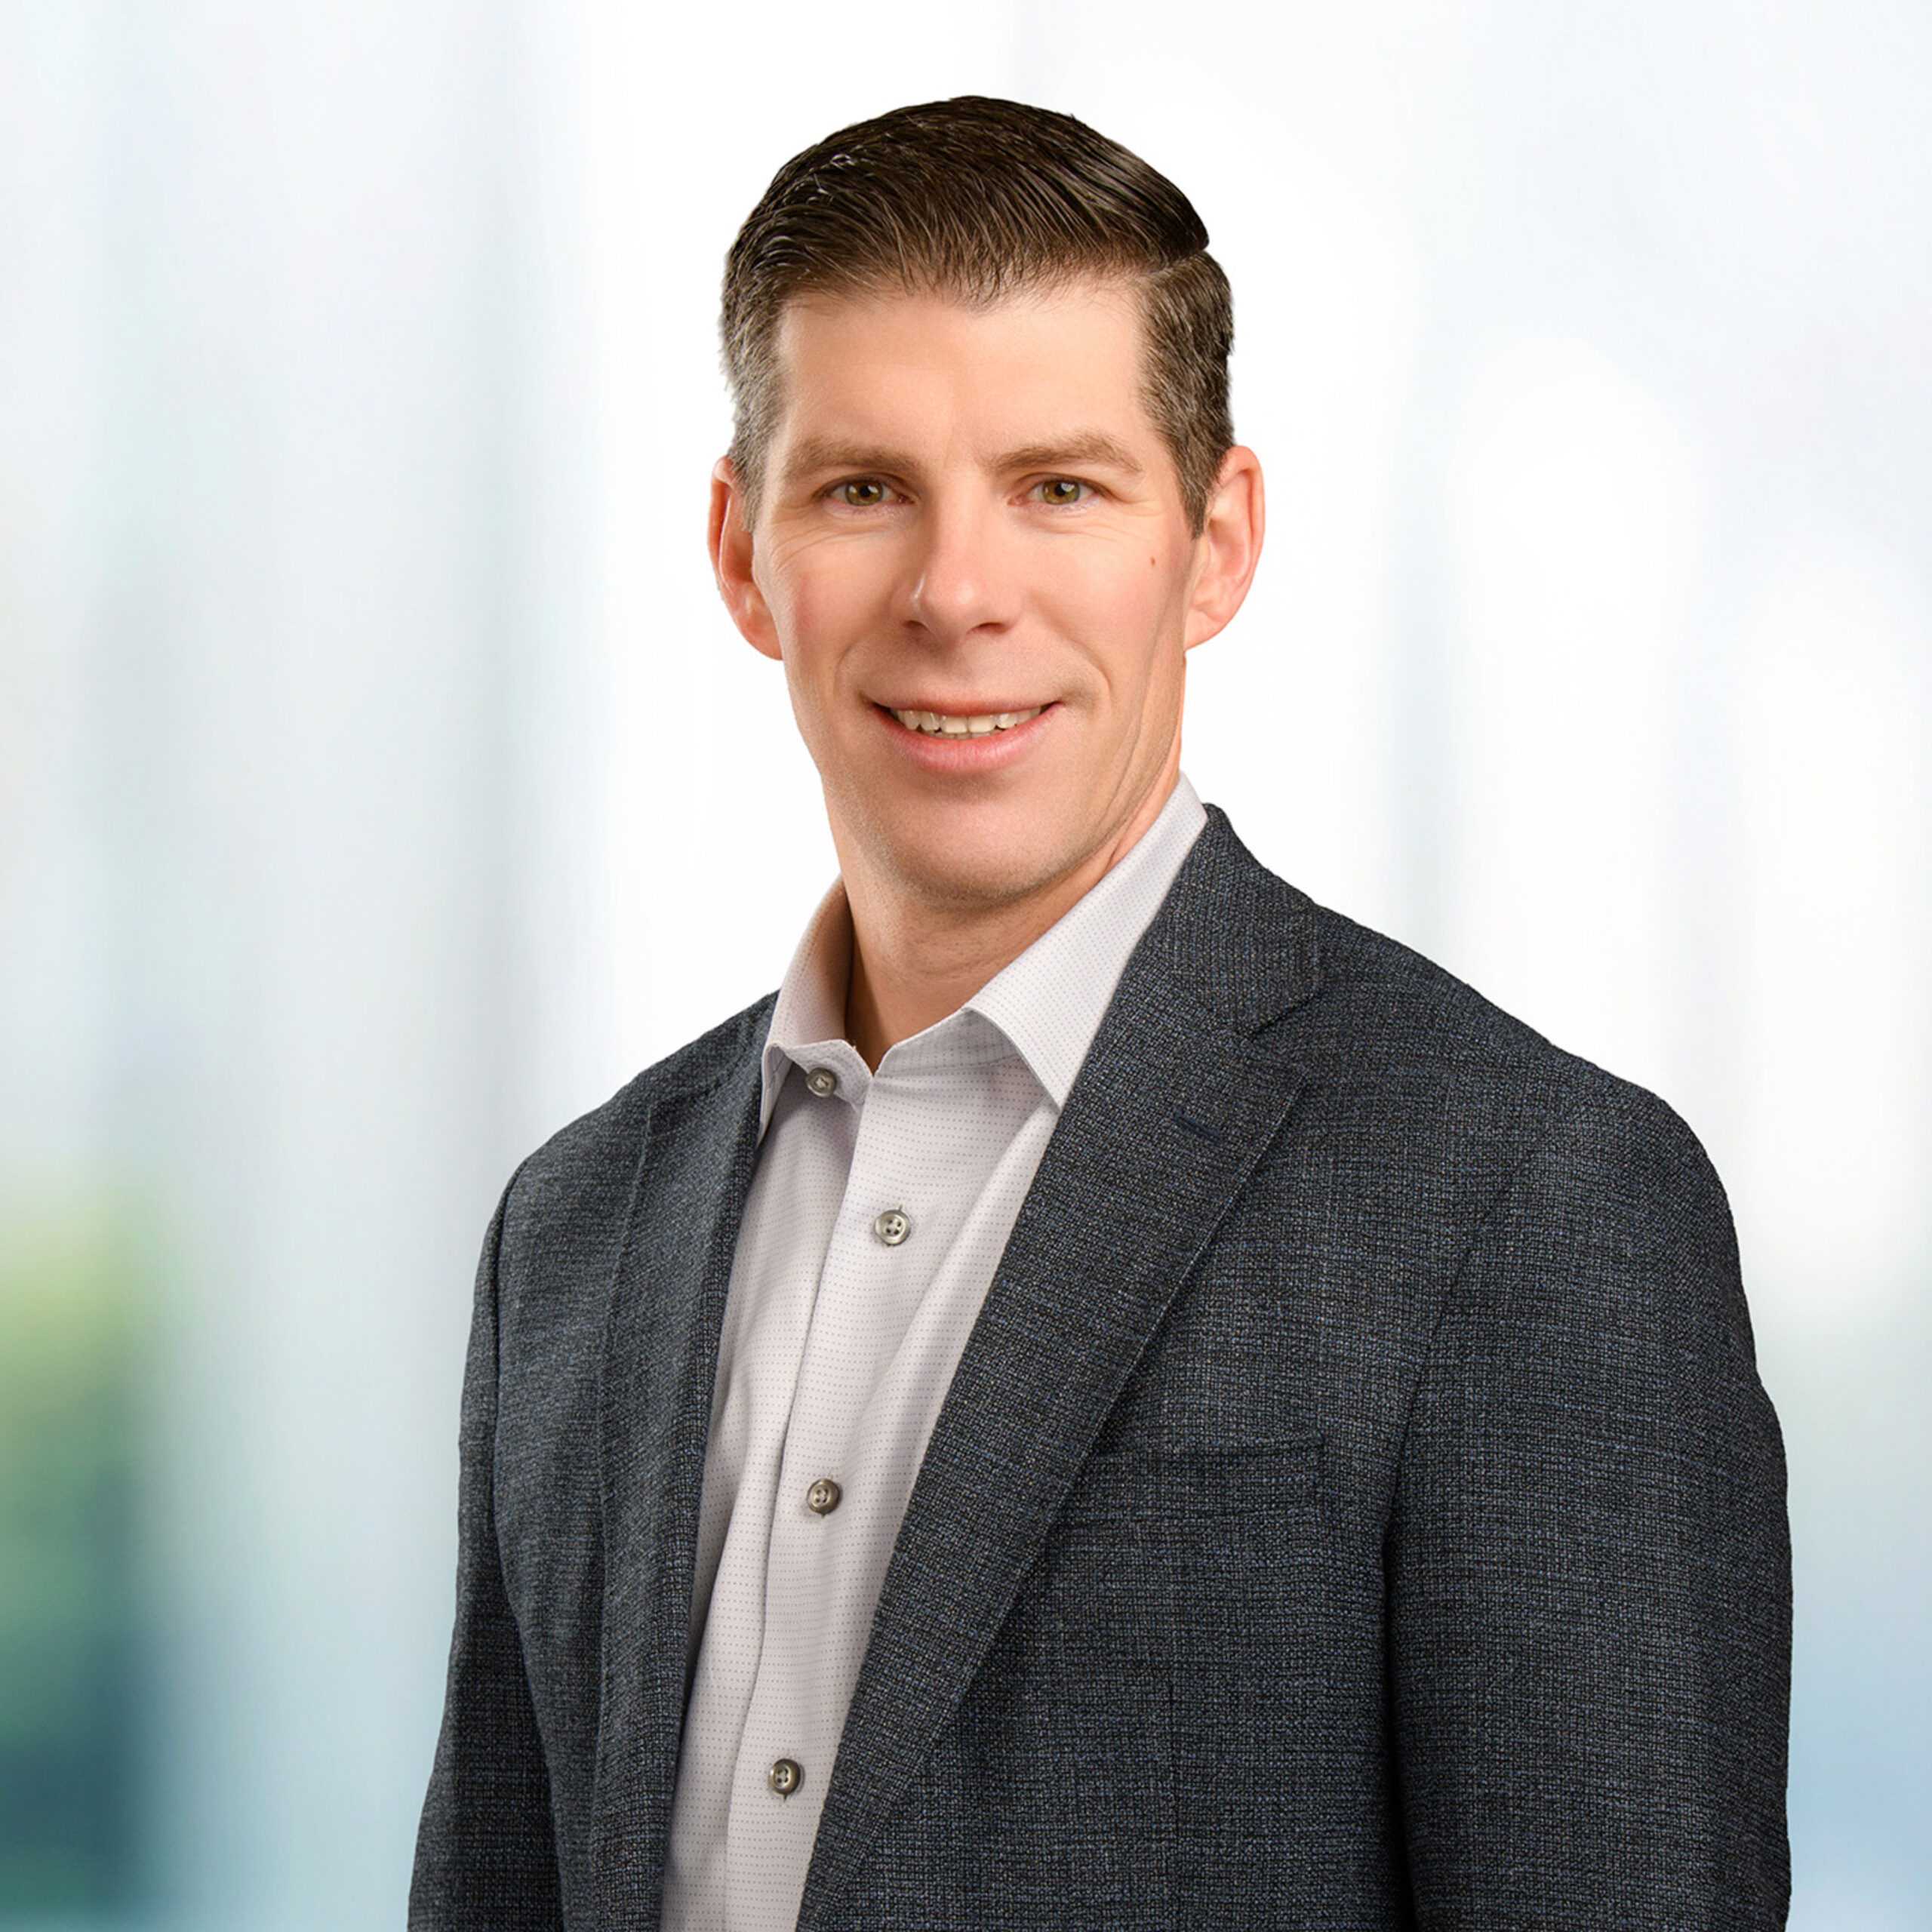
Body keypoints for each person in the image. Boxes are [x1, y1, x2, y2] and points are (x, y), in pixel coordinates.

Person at [411, 97, 1790, 1930]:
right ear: (743, 553)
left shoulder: (1524, 1198)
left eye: (1058, 486)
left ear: (1214, 541)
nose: (955, 593)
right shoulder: (571, 1232)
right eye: (863, 488)